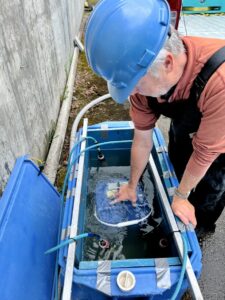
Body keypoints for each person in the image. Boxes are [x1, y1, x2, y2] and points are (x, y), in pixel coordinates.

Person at [85, 0, 225, 234]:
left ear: (167, 63)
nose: (131, 93)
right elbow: (142, 139)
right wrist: (131, 185)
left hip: (218, 139)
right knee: (177, 158)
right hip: (188, 125)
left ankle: (201, 228)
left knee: (211, 189)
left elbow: (205, 152)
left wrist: (181, 196)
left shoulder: (219, 82)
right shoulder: (143, 78)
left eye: (135, 85)